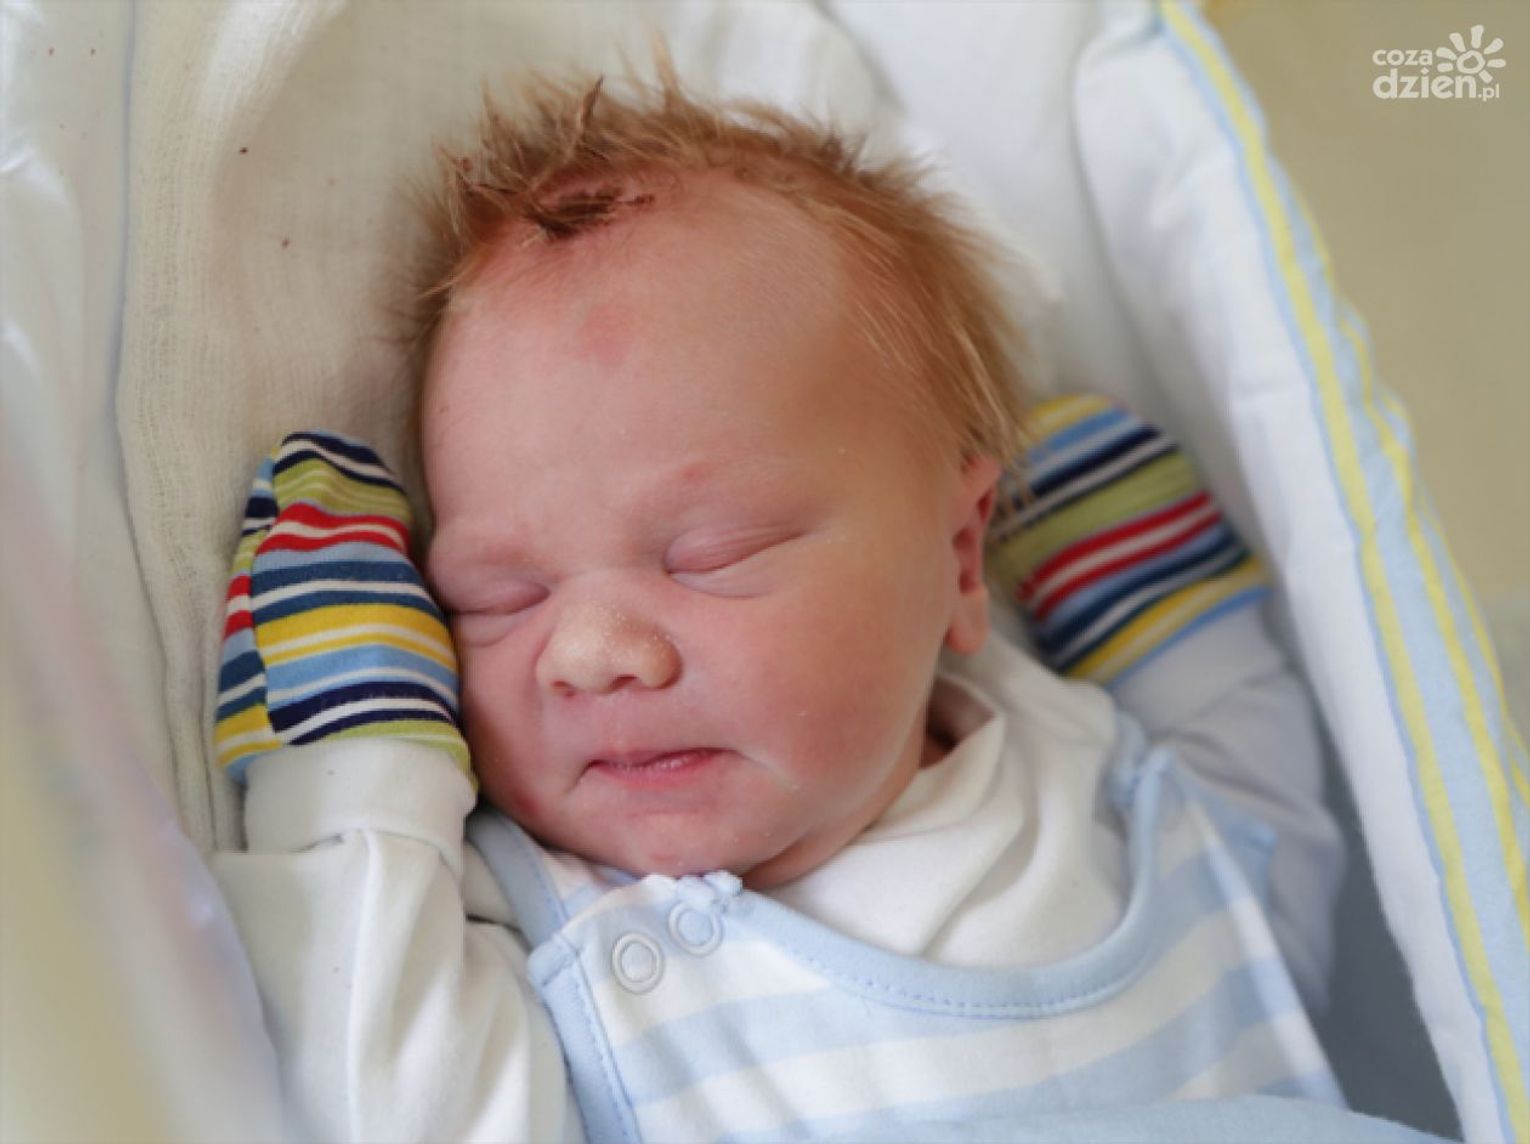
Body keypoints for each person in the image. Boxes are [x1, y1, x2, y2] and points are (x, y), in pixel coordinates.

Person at [210, 68, 1345, 1142]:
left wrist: (1185, 660)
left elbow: (1260, 902)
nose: (593, 652)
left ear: (960, 557)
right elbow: (392, 1096)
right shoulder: (557, 931)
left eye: (712, 555)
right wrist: (363, 777)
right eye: (499, 596)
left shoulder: (1079, 761)